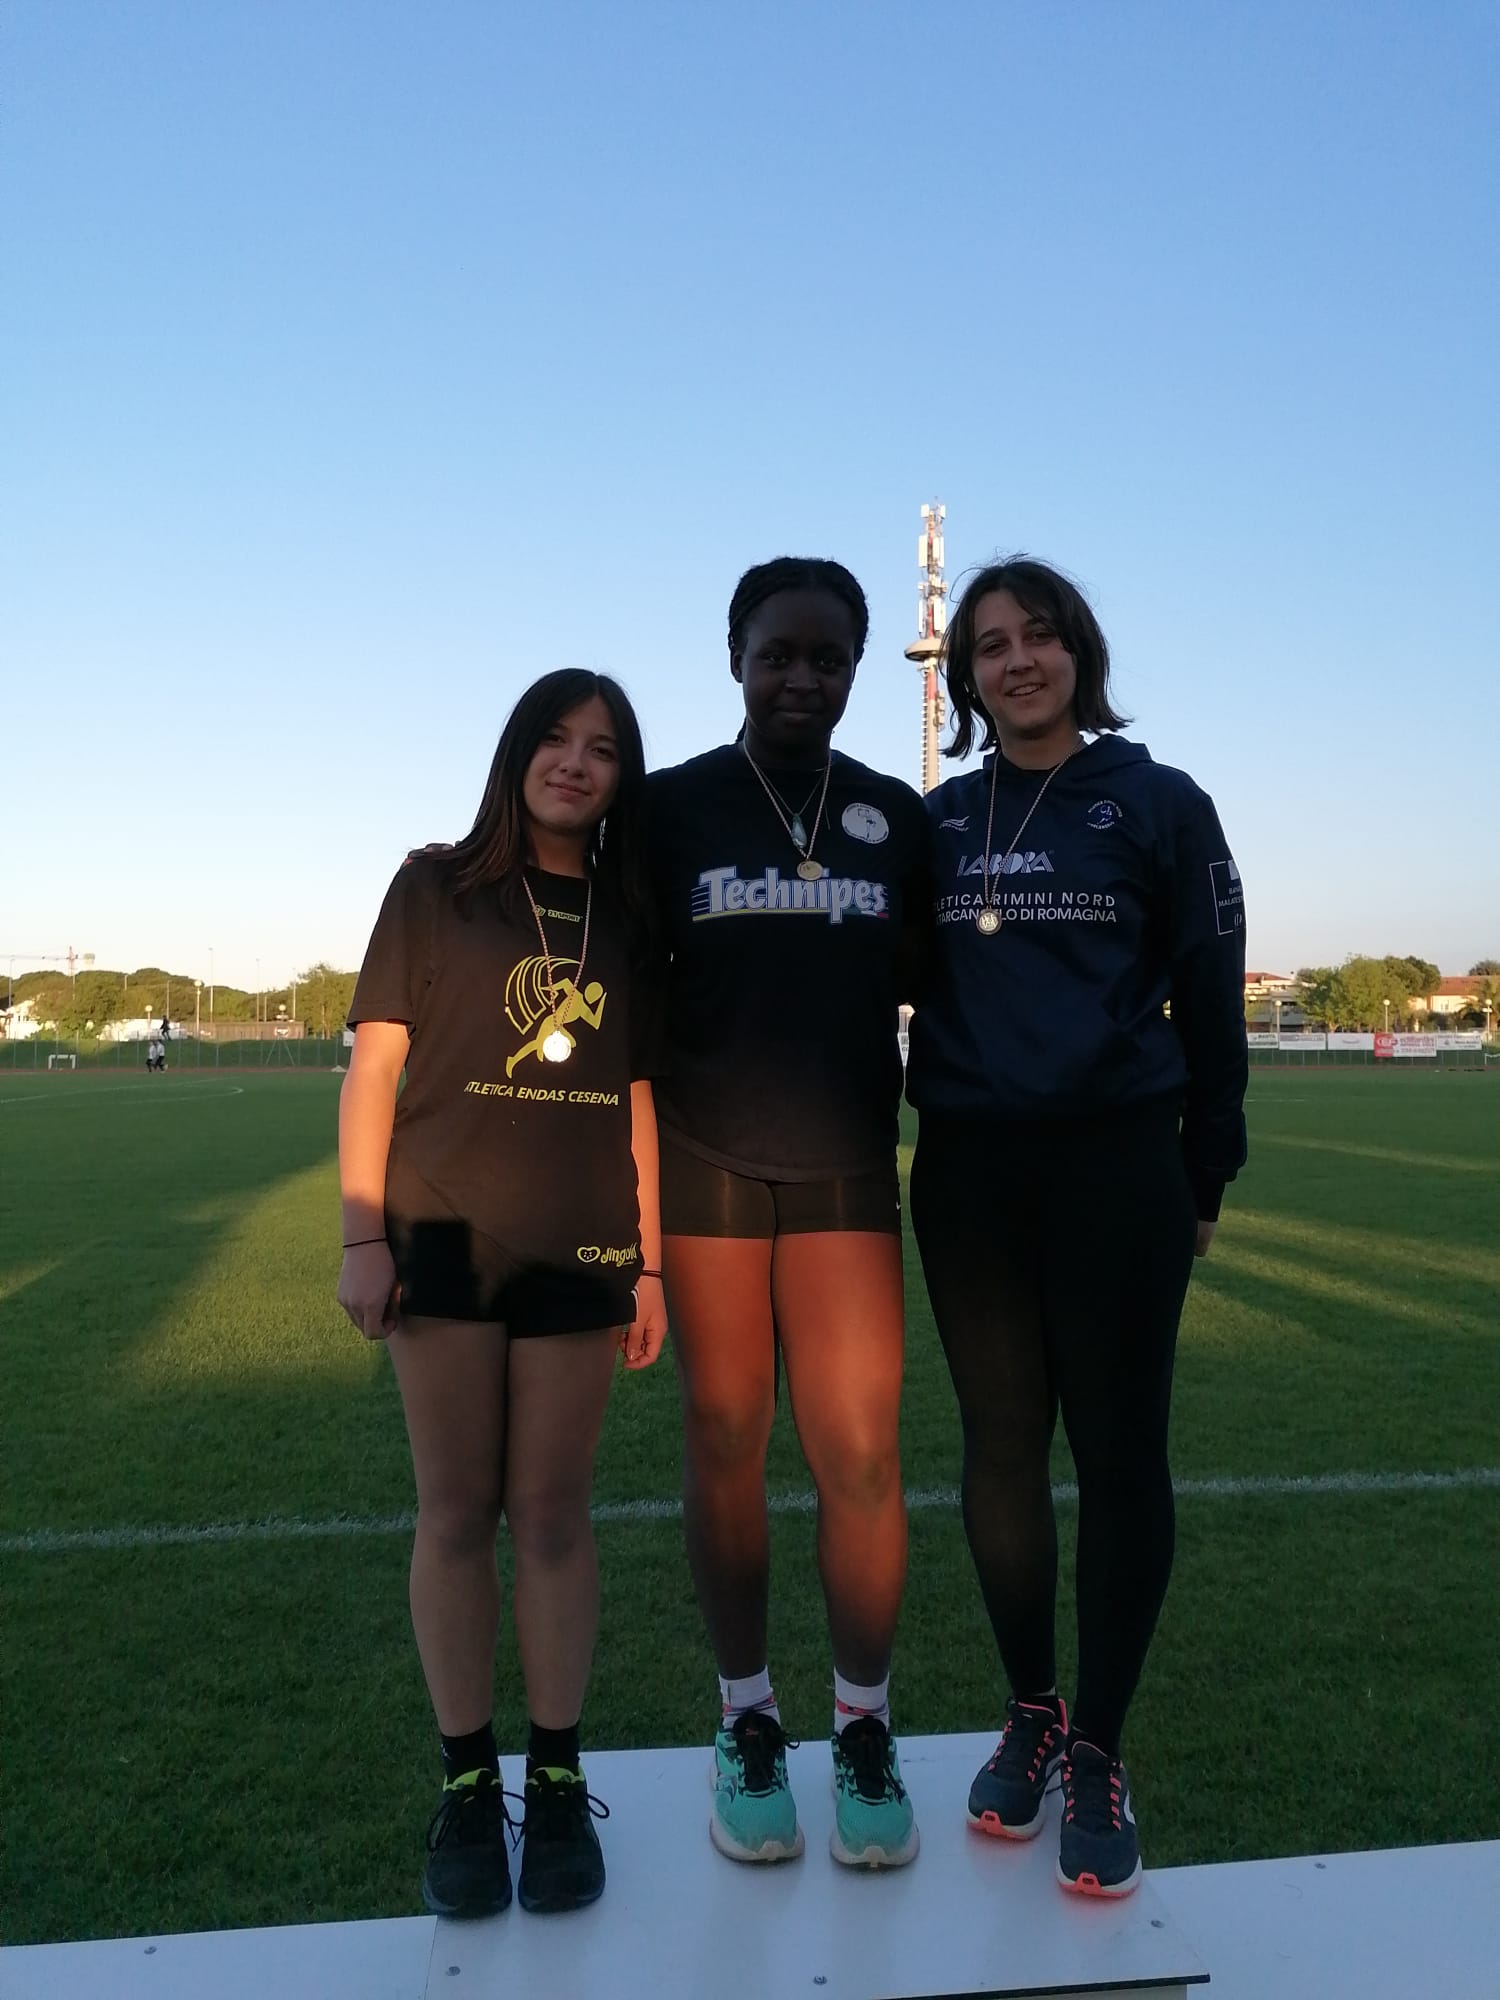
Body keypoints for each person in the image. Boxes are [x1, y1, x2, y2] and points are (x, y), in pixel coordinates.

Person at [905, 557, 1247, 1898]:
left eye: (1038, 635)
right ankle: (1034, 1709)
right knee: (999, 1445)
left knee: (1118, 1453)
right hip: (971, 1174)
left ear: (1078, 652)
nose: (1017, 659)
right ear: (966, 679)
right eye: (990, 645)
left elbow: (1211, 987)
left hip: (1118, 1169)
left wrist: (1207, 1164)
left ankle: (1099, 1743)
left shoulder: (1159, 802)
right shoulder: (938, 821)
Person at [336, 669, 668, 1923]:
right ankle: (470, 1780)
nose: (576, 762)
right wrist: (362, 1236)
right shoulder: (435, 888)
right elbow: (376, 1068)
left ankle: (559, 1776)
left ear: (622, 777)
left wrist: (650, 1261)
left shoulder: (630, 915)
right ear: (518, 751)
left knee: (554, 1512)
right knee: (457, 1509)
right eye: (556, 738)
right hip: (442, 1238)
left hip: (581, 1249)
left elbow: (638, 1097)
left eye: (603, 748)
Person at [650, 557, 929, 1870]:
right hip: (706, 1160)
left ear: (856, 669)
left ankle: (863, 1726)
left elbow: (944, 978)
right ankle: (747, 1718)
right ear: (736, 660)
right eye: (779, 654)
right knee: (725, 1435)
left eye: (828, 658)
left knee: (860, 1452)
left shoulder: (894, 817)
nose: (802, 678)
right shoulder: (670, 808)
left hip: (844, 1168)